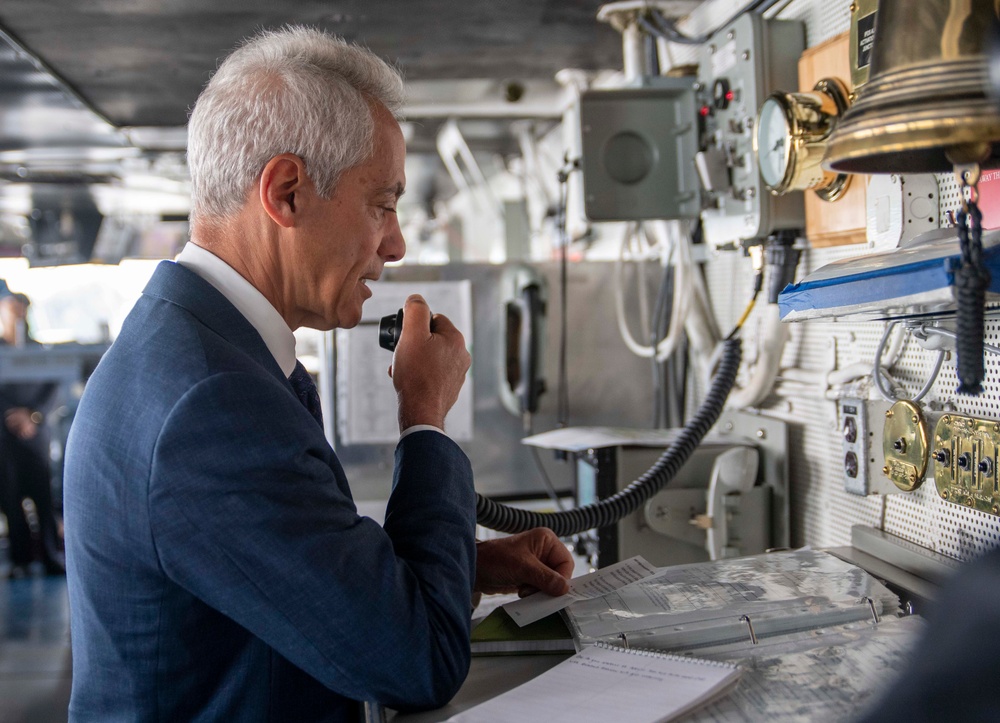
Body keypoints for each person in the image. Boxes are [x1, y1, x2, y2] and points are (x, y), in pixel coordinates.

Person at [63, 26, 574, 722]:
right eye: (383, 204)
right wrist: (424, 416)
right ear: (288, 192)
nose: (395, 243)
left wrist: (462, 566)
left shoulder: (201, 347)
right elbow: (415, 661)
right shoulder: (214, 405)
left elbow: (276, 579)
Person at [0, 291, 64, 577]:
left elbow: (55, 388)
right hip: (6, 436)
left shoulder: (40, 352)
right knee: (11, 499)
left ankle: (51, 557)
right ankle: (20, 560)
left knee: (43, 497)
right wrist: (11, 415)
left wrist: (32, 416)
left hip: (36, 436)